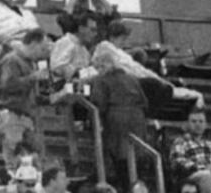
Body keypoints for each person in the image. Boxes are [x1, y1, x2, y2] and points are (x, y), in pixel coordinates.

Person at [89, 50, 148, 191]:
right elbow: (144, 102)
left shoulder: (101, 80)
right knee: (136, 155)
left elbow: (99, 104)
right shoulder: (132, 78)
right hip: (137, 118)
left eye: (98, 67)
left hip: (116, 119)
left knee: (120, 156)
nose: (98, 71)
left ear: (103, 66)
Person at [0, 29, 50, 165]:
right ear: (33, 43)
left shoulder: (30, 63)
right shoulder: (11, 60)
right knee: (12, 156)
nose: (43, 53)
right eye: (42, 48)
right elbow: (8, 85)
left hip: (25, 115)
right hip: (11, 114)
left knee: (36, 152)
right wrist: (32, 77)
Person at [50, 12, 98, 80]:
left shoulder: (85, 51)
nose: (95, 34)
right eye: (92, 30)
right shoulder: (66, 42)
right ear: (81, 29)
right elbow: (56, 68)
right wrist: (78, 72)